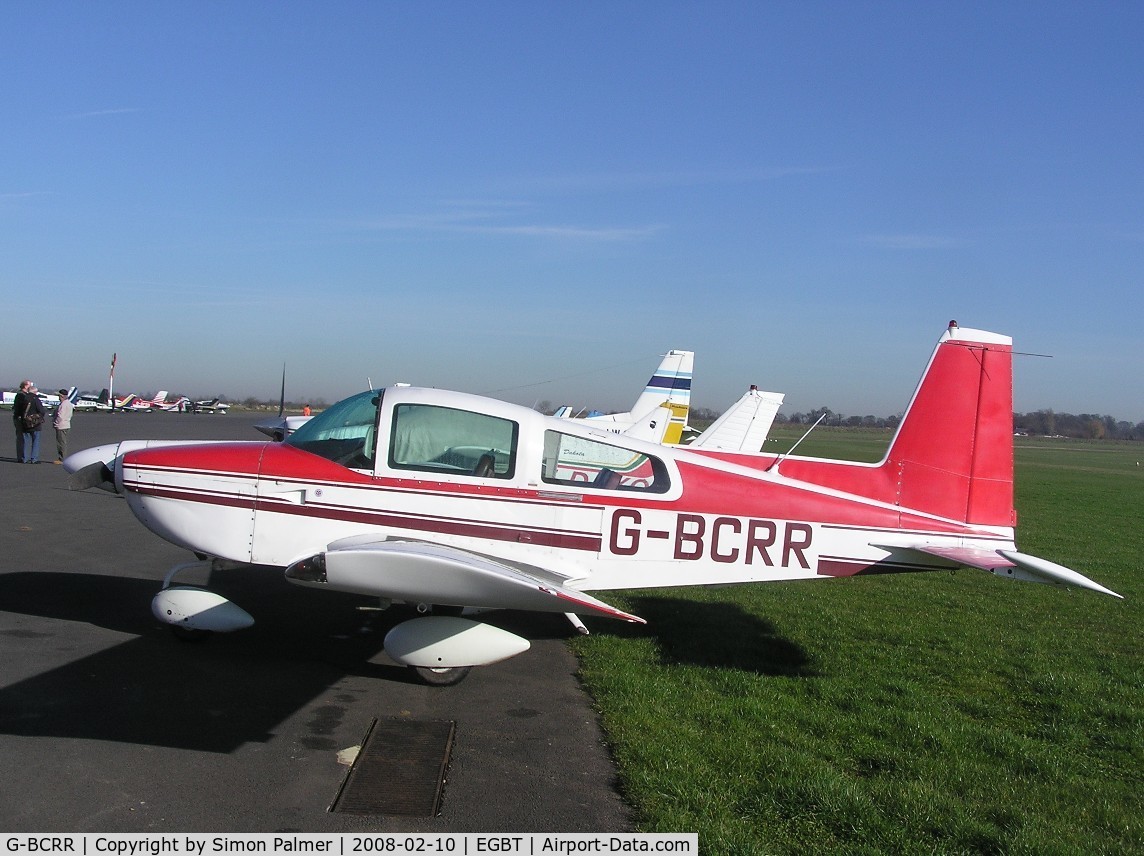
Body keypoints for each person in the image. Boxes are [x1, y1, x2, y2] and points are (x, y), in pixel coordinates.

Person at [13, 380, 46, 463]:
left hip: (25, 422)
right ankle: (34, 459)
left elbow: (19, 410)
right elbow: (42, 411)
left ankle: (24, 458)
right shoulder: (35, 399)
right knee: (35, 441)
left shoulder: (24, 398)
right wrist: (39, 418)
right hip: (35, 424)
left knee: (25, 441)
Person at [53, 388, 74, 463]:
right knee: (63, 442)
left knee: (61, 442)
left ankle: (62, 458)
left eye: (59, 396)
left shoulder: (63, 404)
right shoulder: (69, 403)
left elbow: (60, 416)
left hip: (61, 426)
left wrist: (56, 423)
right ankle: (62, 458)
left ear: (61, 396)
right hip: (67, 424)